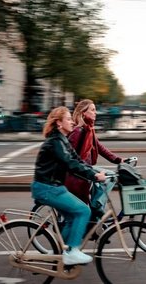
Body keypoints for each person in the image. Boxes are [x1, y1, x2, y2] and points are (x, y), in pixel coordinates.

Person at [31, 106, 106, 265]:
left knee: (73, 217)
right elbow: (69, 163)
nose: (72, 121)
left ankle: (60, 251)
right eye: (68, 119)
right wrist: (93, 175)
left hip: (54, 187)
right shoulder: (55, 142)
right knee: (83, 211)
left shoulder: (62, 139)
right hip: (47, 188)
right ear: (59, 123)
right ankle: (72, 252)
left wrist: (94, 172)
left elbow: (77, 160)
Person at [65, 99, 125, 219]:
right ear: (83, 113)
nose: (95, 113)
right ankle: (96, 205)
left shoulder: (89, 129)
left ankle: (96, 209)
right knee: (110, 177)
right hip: (80, 170)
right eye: (92, 110)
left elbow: (100, 148)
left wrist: (119, 160)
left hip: (86, 167)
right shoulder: (78, 131)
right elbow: (69, 157)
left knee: (110, 176)